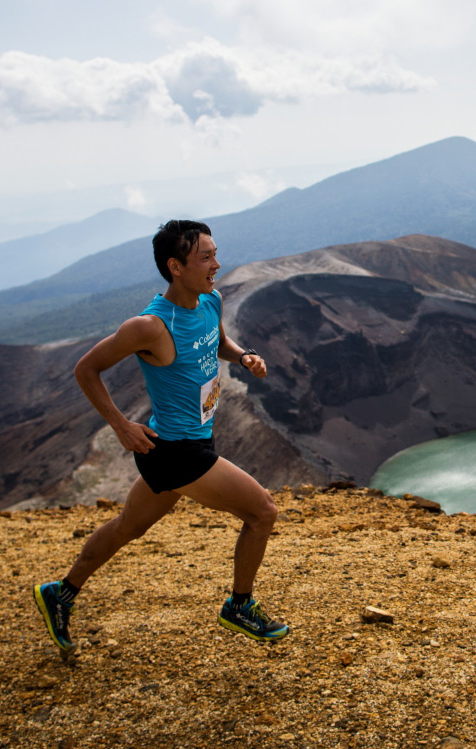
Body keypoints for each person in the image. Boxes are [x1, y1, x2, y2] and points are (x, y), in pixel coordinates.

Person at [33, 220, 288, 651]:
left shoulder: (210, 299)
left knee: (128, 527)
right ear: (175, 267)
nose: (216, 264)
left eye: (214, 253)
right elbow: (86, 369)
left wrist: (244, 357)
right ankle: (239, 606)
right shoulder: (150, 326)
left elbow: (217, 342)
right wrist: (120, 424)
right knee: (262, 513)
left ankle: (61, 592)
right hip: (174, 451)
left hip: (187, 444)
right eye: (205, 257)